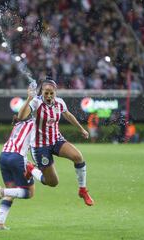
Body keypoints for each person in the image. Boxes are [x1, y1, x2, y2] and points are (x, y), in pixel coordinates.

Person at [18, 78, 94, 206]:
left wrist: (81, 129)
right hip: (40, 146)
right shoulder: (36, 102)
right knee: (52, 182)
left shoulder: (59, 102)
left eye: (51, 93)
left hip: (56, 140)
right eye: (46, 93)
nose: (48, 96)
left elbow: (68, 115)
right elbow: (21, 117)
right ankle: (31, 169)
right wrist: (28, 98)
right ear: (41, 92)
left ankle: (83, 190)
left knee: (78, 157)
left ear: (55, 92)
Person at [0, 115, 44, 230]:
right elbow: (36, 147)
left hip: (4, 155)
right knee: (29, 192)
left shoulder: (19, 122)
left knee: (13, 191)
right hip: (17, 157)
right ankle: (2, 192)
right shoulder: (37, 123)